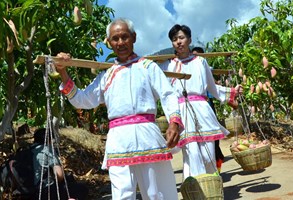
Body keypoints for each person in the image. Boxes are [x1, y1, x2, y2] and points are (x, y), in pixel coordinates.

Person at [54, 18, 183, 200]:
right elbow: (82, 100)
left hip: (148, 137)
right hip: (119, 142)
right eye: (115, 38)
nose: (121, 42)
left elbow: (168, 94)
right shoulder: (106, 75)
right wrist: (63, 72)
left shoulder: (148, 67)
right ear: (109, 42)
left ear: (134, 37)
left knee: (156, 193)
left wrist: (174, 121)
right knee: (122, 195)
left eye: (125, 37)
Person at [160, 24, 242, 179]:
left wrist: (232, 92)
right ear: (172, 43)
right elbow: (158, 88)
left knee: (208, 154)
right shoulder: (166, 65)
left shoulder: (200, 62)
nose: (179, 41)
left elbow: (212, 87)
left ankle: (212, 189)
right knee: (192, 155)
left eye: (182, 37)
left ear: (189, 39)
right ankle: (194, 191)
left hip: (202, 111)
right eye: (174, 39)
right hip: (182, 113)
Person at [192, 46, 226, 173]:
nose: (198, 58)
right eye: (195, 55)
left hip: (207, 105)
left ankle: (217, 168)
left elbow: (213, 85)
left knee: (213, 142)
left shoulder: (205, 67)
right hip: (192, 108)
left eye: (200, 56)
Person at [32, 128, 88, 200]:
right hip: (44, 192)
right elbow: (59, 176)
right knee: (82, 189)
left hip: (27, 192)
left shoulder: (27, 151)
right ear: (49, 140)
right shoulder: (47, 150)